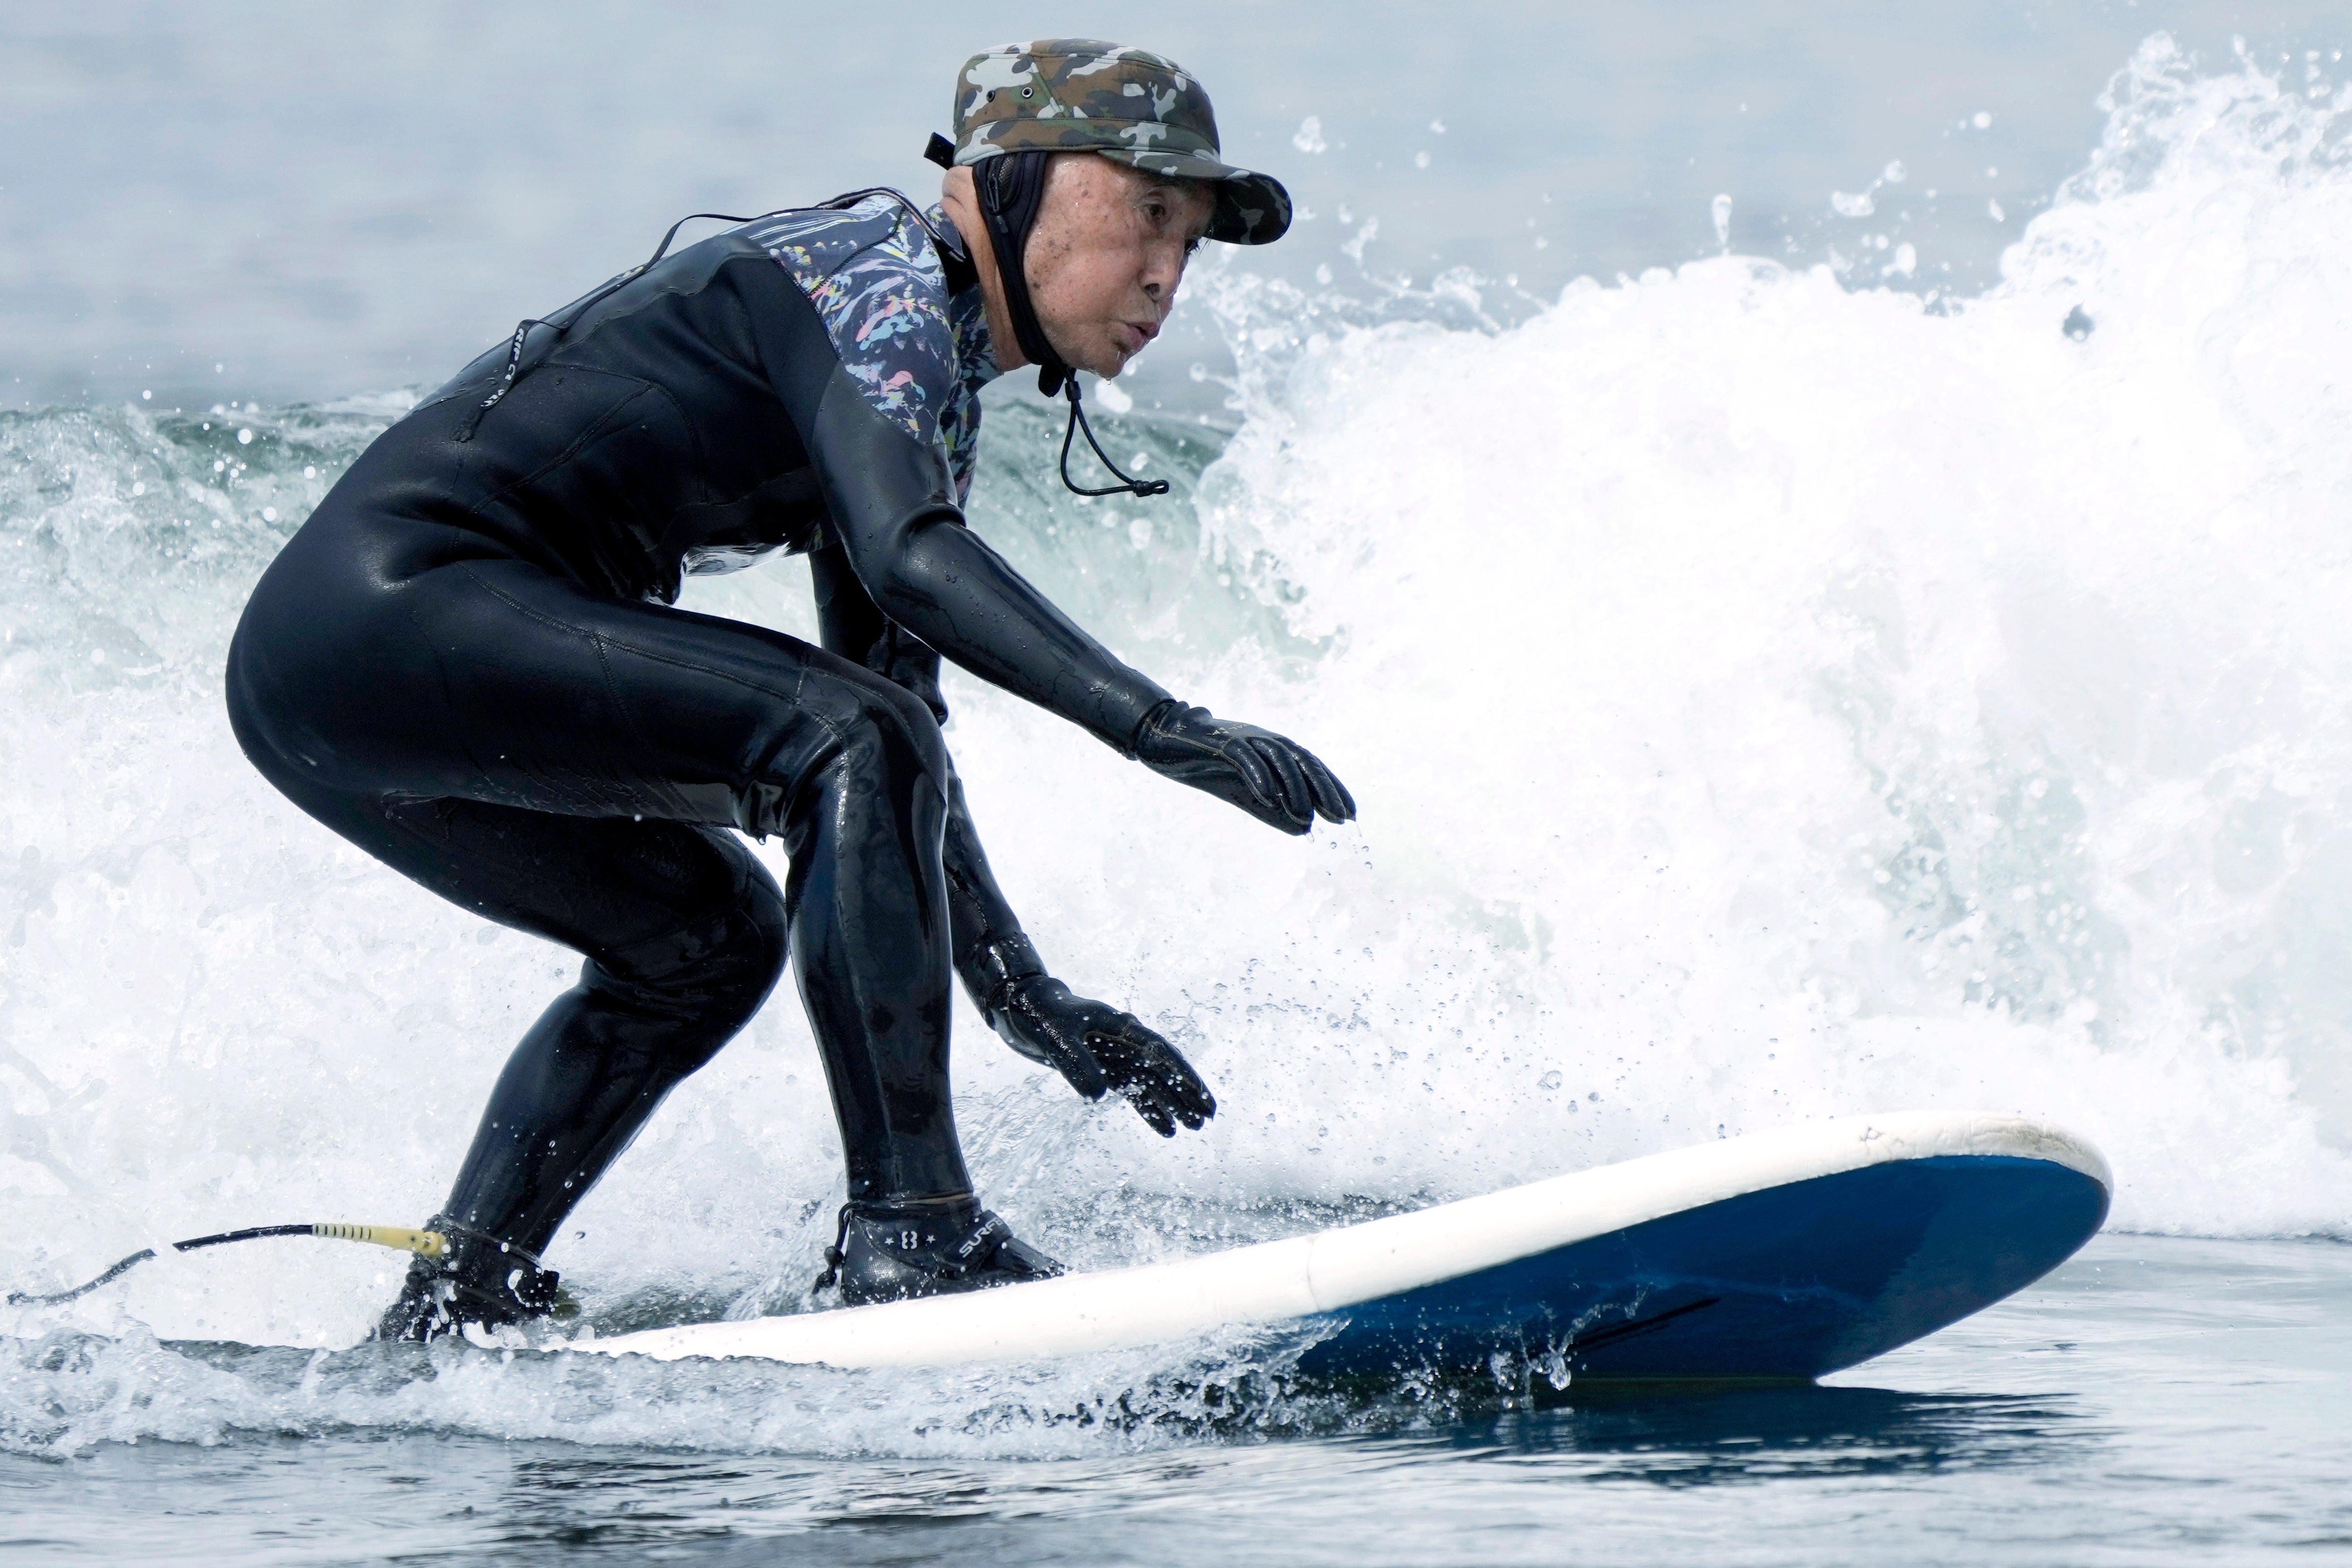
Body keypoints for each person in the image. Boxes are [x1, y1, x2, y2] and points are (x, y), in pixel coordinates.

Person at [224, 39, 1353, 1340]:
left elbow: (896, 726)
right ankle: (913, 1228)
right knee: (841, 738)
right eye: (1148, 211)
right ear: (1013, 185)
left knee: (703, 945)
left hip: (322, 683)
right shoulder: (871, 280)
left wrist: (1026, 995)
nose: (1167, 271)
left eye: (1195, 241)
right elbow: (910, 569)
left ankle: (460, 1295)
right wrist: (1164, 730)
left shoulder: (910, 372)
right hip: (388, 610)